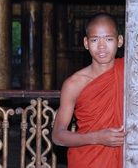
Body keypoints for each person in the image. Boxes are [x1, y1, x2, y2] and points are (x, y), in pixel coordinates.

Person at [52, 12, 126, 168]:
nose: (101, 46)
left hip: (127, 156)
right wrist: (97, 138)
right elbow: (58, 135)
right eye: (94, 40)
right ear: (86, 43)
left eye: (108, 39)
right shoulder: (74, 84)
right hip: (87, 159)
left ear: (119, 41)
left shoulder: (130, 73)